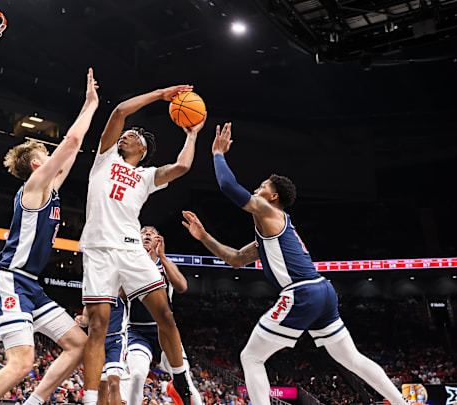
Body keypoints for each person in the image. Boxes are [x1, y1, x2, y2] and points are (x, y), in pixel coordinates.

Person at [181, 122, 409, 405]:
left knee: (250, 356)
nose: (257, 188)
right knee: (352, 359)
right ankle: (403, 403)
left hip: (302, 292)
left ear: (273, 197)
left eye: (263, 186)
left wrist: (217, 154)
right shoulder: (271, 234)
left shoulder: (267, 211)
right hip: (322, 291)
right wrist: (203, 236)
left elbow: (229, 186)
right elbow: (235, 260)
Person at [0, 68, 100, 405]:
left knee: (78, 344)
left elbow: (73, 149)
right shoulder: (34, 187)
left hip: (31, 285)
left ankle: (35, 401)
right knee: (22, 363)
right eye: (46, 154)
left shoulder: (51, 188)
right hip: (10, 279)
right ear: (36, 163)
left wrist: (88, 111)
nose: (52, 156)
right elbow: (70, 142)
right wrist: (90, 104)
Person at [79, 84, 205, 405]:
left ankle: (179, 382)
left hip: (132, 248)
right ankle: (92, 399)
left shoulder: (146, 176)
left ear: (143, 149)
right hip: (99, 249)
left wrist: (192, 134)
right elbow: (120, 111)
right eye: (127, 133)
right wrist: (161, 94)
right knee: (99, 327)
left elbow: (182, 167)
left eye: (134, 135)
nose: (127, 135)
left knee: (165, 314)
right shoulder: (105, 160)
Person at [124, 227, 202, 405]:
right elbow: (121, 294)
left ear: (157, 241)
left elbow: (182, 286)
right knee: (136, 376)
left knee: (186, 381)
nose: (147, 235)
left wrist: (164, 257)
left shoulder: (164, 264)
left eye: (151, 233)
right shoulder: (130, 264)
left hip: (165, 331)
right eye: (143, 233)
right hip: (138, 331)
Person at [77, 295, 129, 405]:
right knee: (101, 388)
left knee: (114, 384)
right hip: (97, 342)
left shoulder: (120, 290)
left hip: (116, 340)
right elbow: (85, 321)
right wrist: (81, 320)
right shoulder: (92, 295)